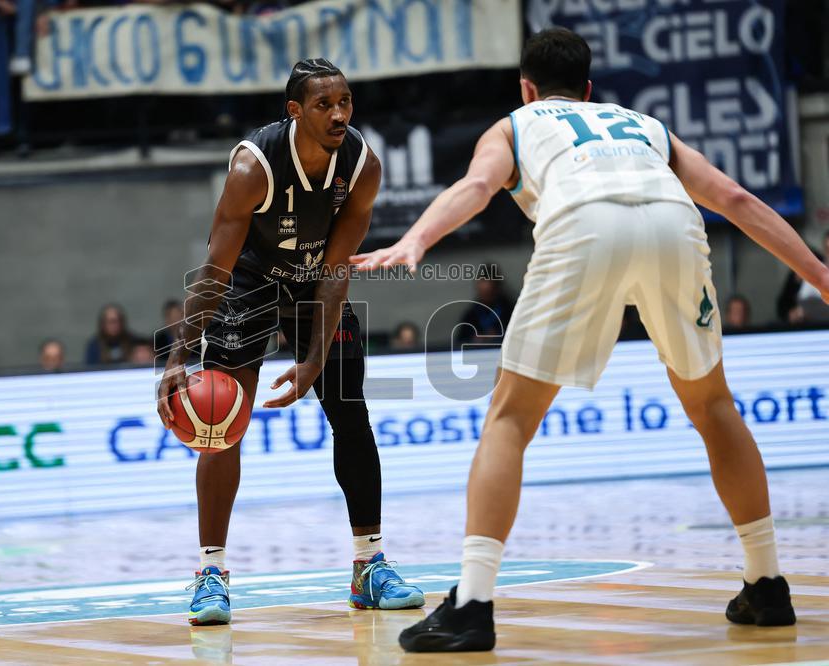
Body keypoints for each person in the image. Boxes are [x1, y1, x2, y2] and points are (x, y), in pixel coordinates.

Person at [352, 28, 829, 653]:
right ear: (590, 88)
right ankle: (767, 583)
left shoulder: (516, 125)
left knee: (511, 418)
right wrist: (821, 276)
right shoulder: (642, 124)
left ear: (526, 88)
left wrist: (416, 239)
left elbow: (476, 187)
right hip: (673, 223)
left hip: (583, 224)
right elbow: (735, 199)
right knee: (713, 406)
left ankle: (471, 604)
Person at [157, 58, 424, 627]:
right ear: (295, 111)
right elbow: (215, 270)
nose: (339, 114)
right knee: (219, 424)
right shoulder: (255, 168)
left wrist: (311, 360)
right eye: (325, 104)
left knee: (351, 412)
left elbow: (336, 270)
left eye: (346, 102)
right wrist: (178, 358)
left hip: (314, 284)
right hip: (247, 281)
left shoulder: (362, 165)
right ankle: (211, 573)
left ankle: (369, 566)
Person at [455, 277, 514, 344]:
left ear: (497, 289)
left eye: (490, 293)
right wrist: (473, 340)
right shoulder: (471, 315)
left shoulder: (509, 311)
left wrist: (498, 335)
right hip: (477, 352)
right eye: (483, 293)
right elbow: (460, 341)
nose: (486, 297)